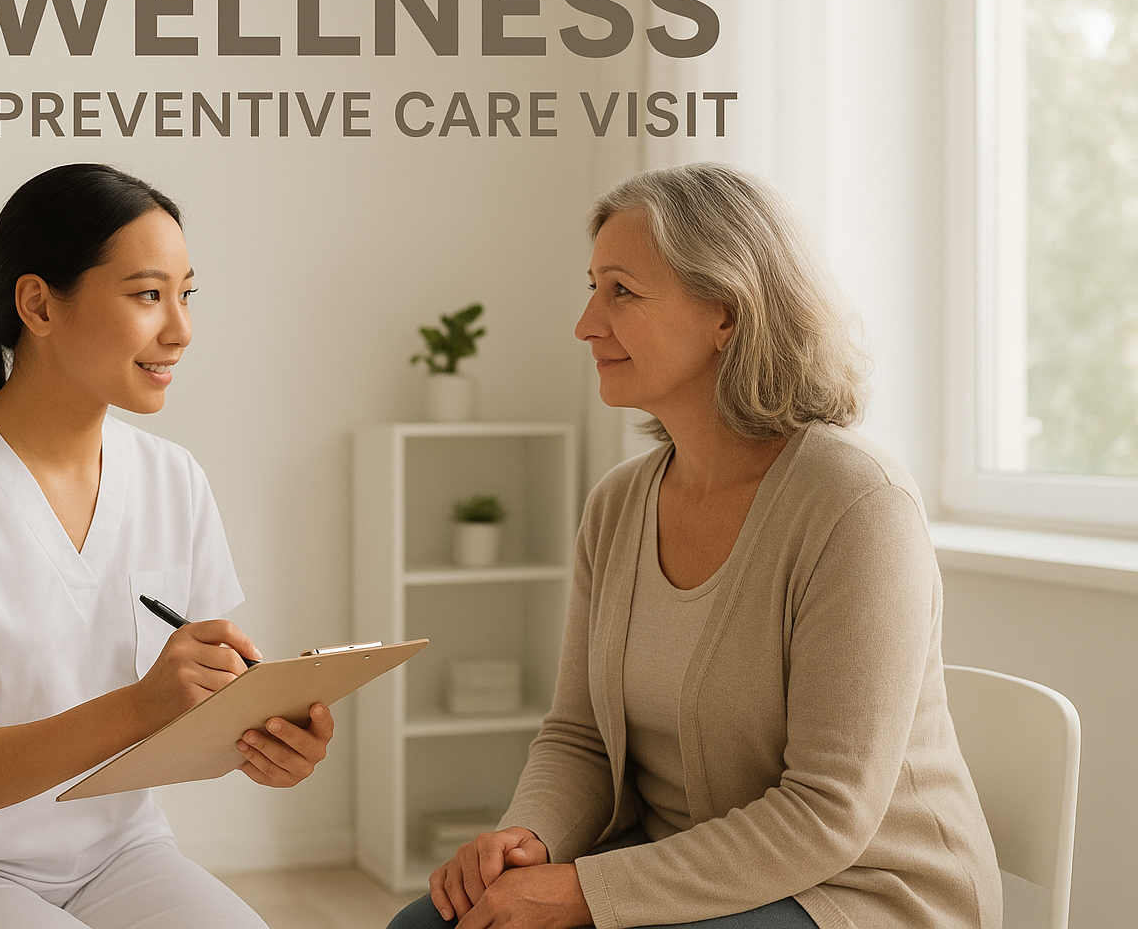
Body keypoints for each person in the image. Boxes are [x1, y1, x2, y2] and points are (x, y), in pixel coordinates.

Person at [388, 162, 1000, 929]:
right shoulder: (617, 505)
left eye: (621, 290)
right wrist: (530, 841)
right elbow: (578, 736)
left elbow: (828, 810)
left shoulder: (857, 504)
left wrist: (585, 893)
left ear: (727, 314)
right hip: (678, 865)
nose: (585, 323)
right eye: (591, 287)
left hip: (861, 889)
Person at [0, 163, 333, 929]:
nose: (179, 329)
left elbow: (191, 708)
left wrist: (261, 741)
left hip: (116, 856)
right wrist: (141, 705)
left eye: (186, 294)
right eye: (149, 295)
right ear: (39, 304)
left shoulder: (173, 479)